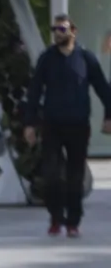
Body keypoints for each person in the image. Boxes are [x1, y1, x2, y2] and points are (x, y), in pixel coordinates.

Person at [23, 14, 111, 238]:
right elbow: (34, 91)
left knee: (75, 174)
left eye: (61, 29)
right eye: (54, 29)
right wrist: (30, 123)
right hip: (52, 125)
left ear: (73, 31)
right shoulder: (47, 59)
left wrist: (109, 115)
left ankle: (73, 221)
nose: (57, 33)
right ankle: (55, 217)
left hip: (78, 124)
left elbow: (102, 87)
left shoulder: (85, 58)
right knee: (51, 174)